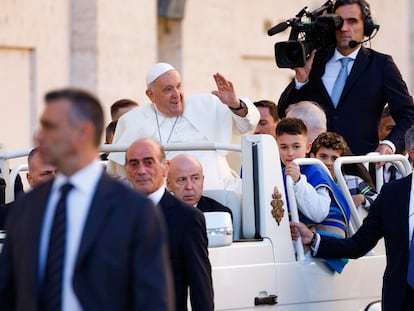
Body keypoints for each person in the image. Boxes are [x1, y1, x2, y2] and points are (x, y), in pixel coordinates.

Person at [0, 88, 174, 310]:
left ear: (83, 132)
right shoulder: (27, 207)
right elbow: (7, 292)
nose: (39, 136)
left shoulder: (134, 210)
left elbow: (152, 300)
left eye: (50, 127)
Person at [290, 126, 414, 310]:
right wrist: (314, 240)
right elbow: (359, 244)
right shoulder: (392, 194)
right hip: (401, 301)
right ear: (412, 153)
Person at [278, 0, 414, 157]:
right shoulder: (314, 62)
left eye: (352, 21)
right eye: (339, 21)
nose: (343, 28)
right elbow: (282, 111)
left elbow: (408, 114)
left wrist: (389, 145)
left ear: (367, 26)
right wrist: (301, 80)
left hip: (360, 166)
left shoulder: (381, 65)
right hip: (316, 168)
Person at [107, 62, 260, 192]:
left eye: (178, 87)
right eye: (168, 89)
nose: (176, 94)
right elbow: (120, 174)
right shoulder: (134, 120)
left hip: (221, 193)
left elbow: (247, 124)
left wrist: (235, 104)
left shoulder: (207, 105)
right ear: (150, 95)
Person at [125, 138, 214, 311]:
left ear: (165, 167)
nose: (141, 170)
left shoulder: (187, 218)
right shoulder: (114, 214)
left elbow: (200, 288)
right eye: (134, 164)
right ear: (126, 170)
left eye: (149, 162)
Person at [276, 118, 350, 239]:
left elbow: (318, 213)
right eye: (284, 147)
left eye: (296, 147)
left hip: (326, 239)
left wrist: (299, 181)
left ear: (308, 148)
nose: (290, 153)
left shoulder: (317, 170)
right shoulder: (280, 174)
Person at [310, 132, 377, 212]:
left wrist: (363, 198)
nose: (328, 162)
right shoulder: (306, 183)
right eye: (323, 156)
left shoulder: (354, 181)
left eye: (334, 158)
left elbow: (380, 202)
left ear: (342, 160)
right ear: (312, 156)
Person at [0, 147, 57, 230]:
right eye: (45, 174)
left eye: (59, 172)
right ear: (30, 179)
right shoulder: (16, 211)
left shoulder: (78, 205)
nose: (55, 178)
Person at [167, 154, 233, 218]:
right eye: (182, 180)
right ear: (169, 185)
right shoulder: (159, 215)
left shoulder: (221, 214)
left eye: (195, 178)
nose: (189, 187)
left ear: (202, 181)